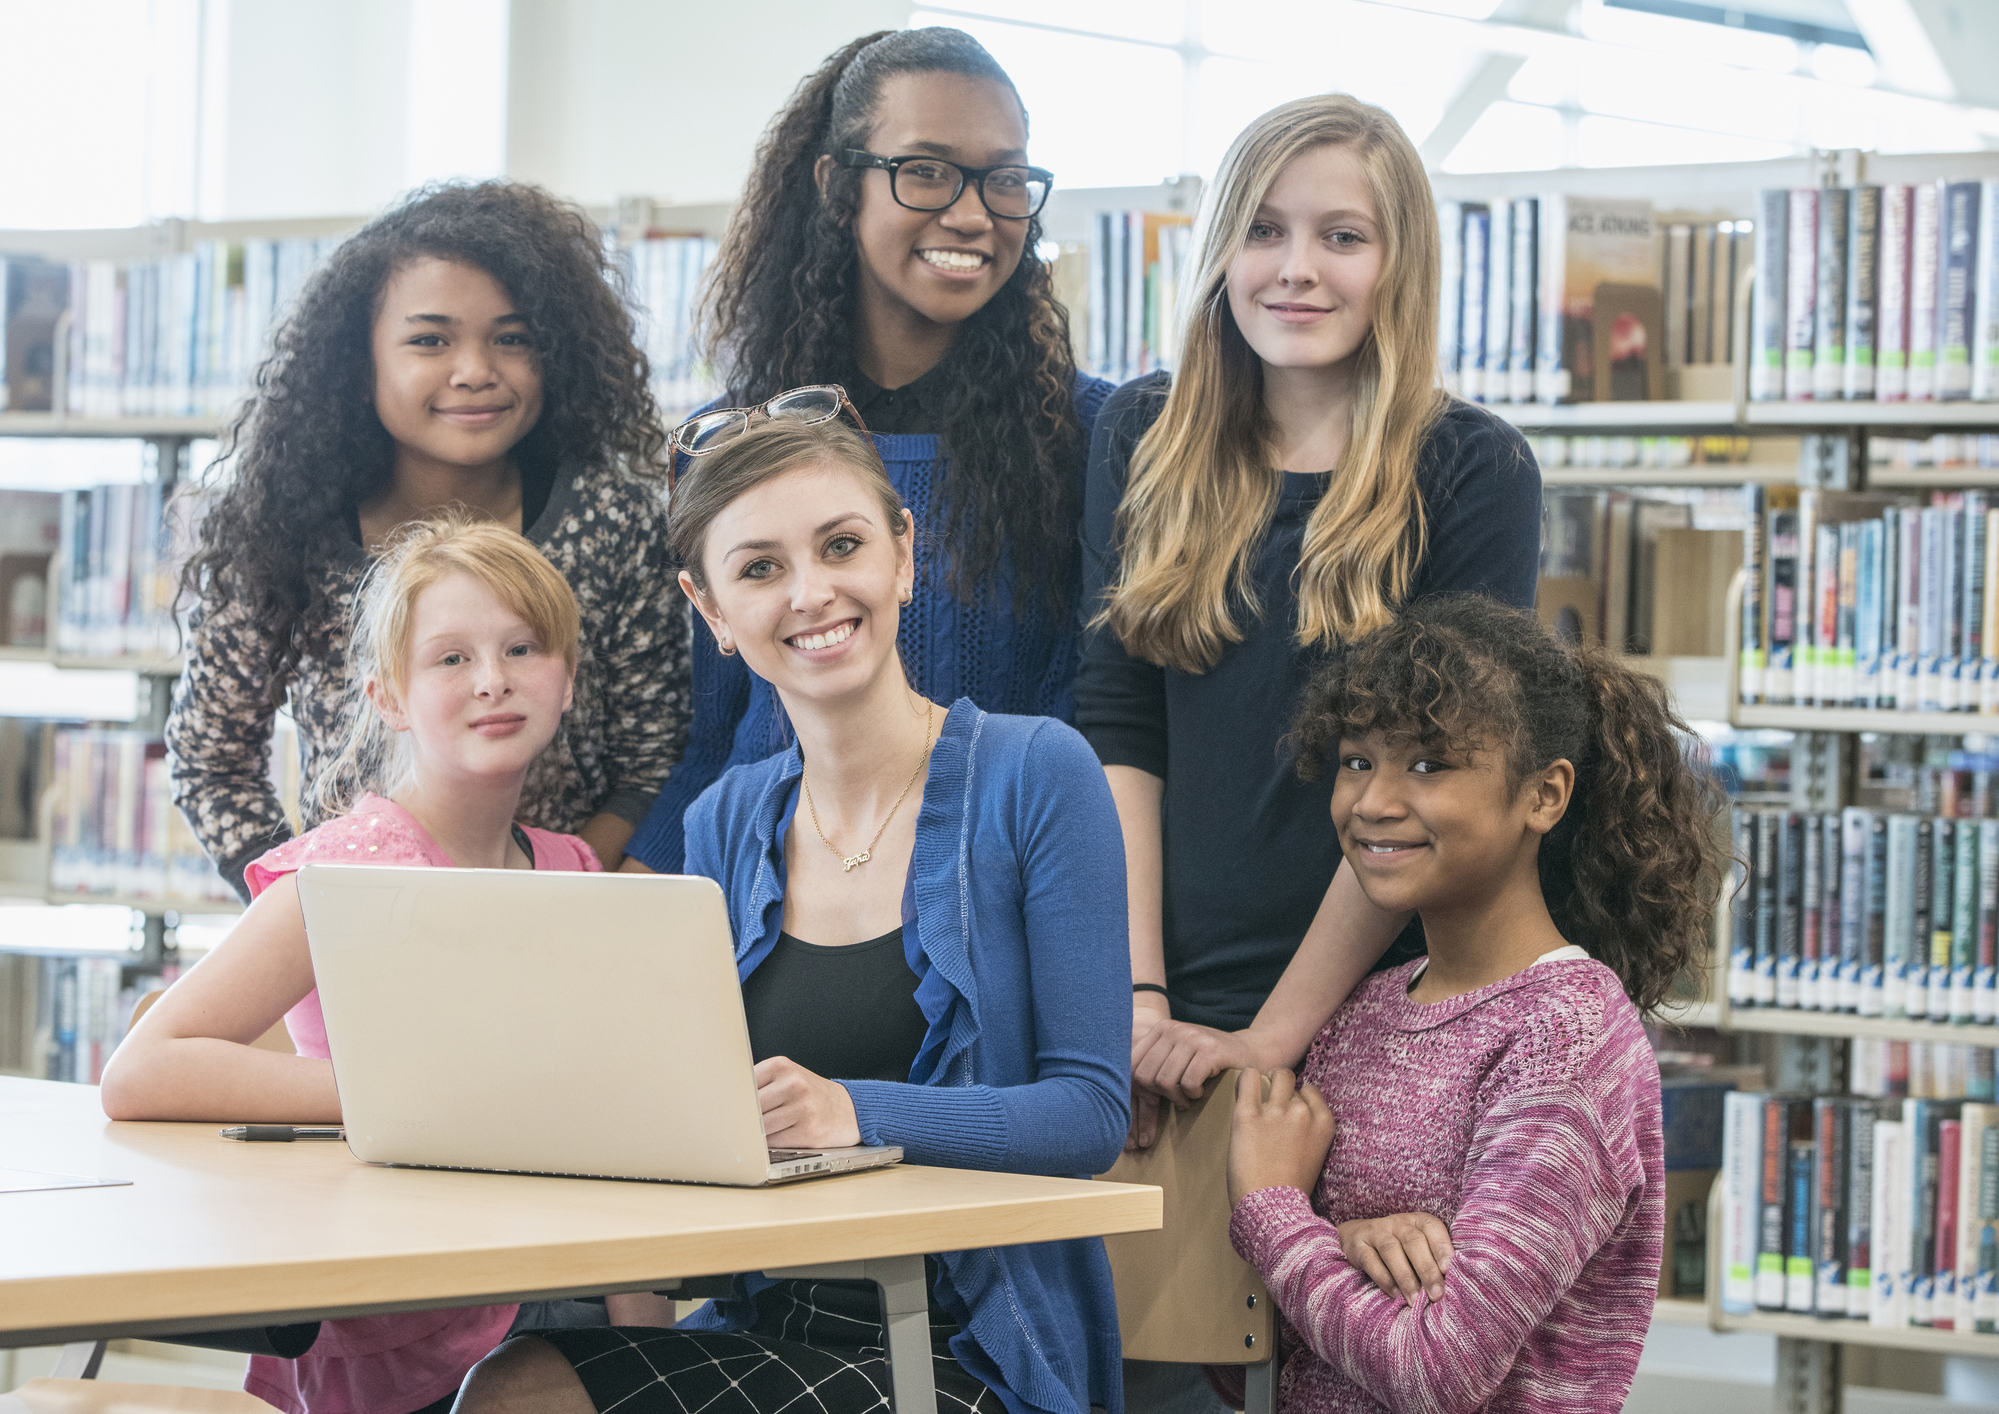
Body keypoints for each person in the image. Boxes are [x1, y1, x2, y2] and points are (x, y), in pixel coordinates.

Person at [453, 407, 1130, 1414]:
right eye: (759, 568)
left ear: (903, 553)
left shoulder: (1035, 773)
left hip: (973, 1350)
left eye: (842, 545)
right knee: (512, 1382)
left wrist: (852, 1111)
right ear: (710, 610)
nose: (811, 592)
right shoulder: (729, 818)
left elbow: (1087, 1115)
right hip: (769, 1317)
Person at [104, 517, 667, 1414]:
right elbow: (141, 1071)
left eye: (523, 648)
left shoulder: (573, 870)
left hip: (567, 1293)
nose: (493, 680)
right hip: (407, 1327)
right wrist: (403, 1098)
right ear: (389, 695)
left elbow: (602, 1135)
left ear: (567, 683)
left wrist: (650, 1351)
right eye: (450, 659)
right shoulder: (344, 871)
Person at [1077, 95, 1543, 1147]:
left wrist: (1273, 1033)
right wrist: (1138, 992)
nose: (1296, 267)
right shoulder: (1138, 434)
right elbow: (1117, 725)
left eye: (1341, 236)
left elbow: (1425, 785)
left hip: (1379, 1008)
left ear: (1398, 264)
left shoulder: (1470, 469)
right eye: (1262, 229)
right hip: (1154, 999)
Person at [622, 26, 1111, 873]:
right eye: (924, 171)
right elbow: (715, 742)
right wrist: (629, 911)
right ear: (838, 185)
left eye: (1003, 179)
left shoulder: (1096, 435)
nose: (970, 213)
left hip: (995, 903)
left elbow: (1102, 736)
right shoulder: (727, 445)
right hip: (772, 903)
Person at [1226, 594, 1720, 1413]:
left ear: (1545, 796)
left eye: (1428, 765)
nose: (1374, 802)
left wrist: (1273, 1209)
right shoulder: (1363, 1012)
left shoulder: (1568, 1034)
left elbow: (1442, 1370)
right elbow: (1240, 1352)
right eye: (1357, 761)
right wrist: (1339, 1243)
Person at [166, 181, 688, 898]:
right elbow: (210, 757)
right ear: (360, 363)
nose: (475, 371)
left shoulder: (615, 520)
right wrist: (309, 911)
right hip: (363, 940)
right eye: (429, 340)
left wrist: (549, 890)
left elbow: (654, 755)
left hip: (562, 920)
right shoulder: (281, 529)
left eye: (512, 339)